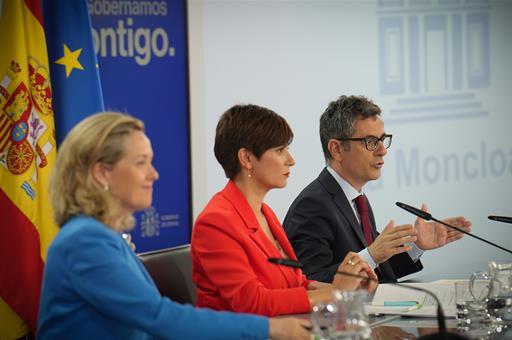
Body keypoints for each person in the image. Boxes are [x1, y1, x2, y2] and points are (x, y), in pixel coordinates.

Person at [37, 111, 311, 339]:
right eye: (141, 163)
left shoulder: (97, 234)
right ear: (101, 173)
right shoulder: (85, 241)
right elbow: (157, 317)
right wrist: (270, 327)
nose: (154, 174)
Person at [191, 104, 377, 317]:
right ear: (247, 159)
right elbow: (252, 303)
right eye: (280, 150)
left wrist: (351, 290)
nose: (291, 160)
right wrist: (336, 292)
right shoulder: (215, 223)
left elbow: (297, 283)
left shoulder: (264, 212)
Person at [283, 95, 472, 283]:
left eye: (383, 140)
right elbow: (310, 282)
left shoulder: (356, 199)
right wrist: (370, 256)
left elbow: (378, 274)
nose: (383, 150)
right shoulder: (312, 206)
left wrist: (415, 246)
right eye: (371, 141)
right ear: (337, 149)